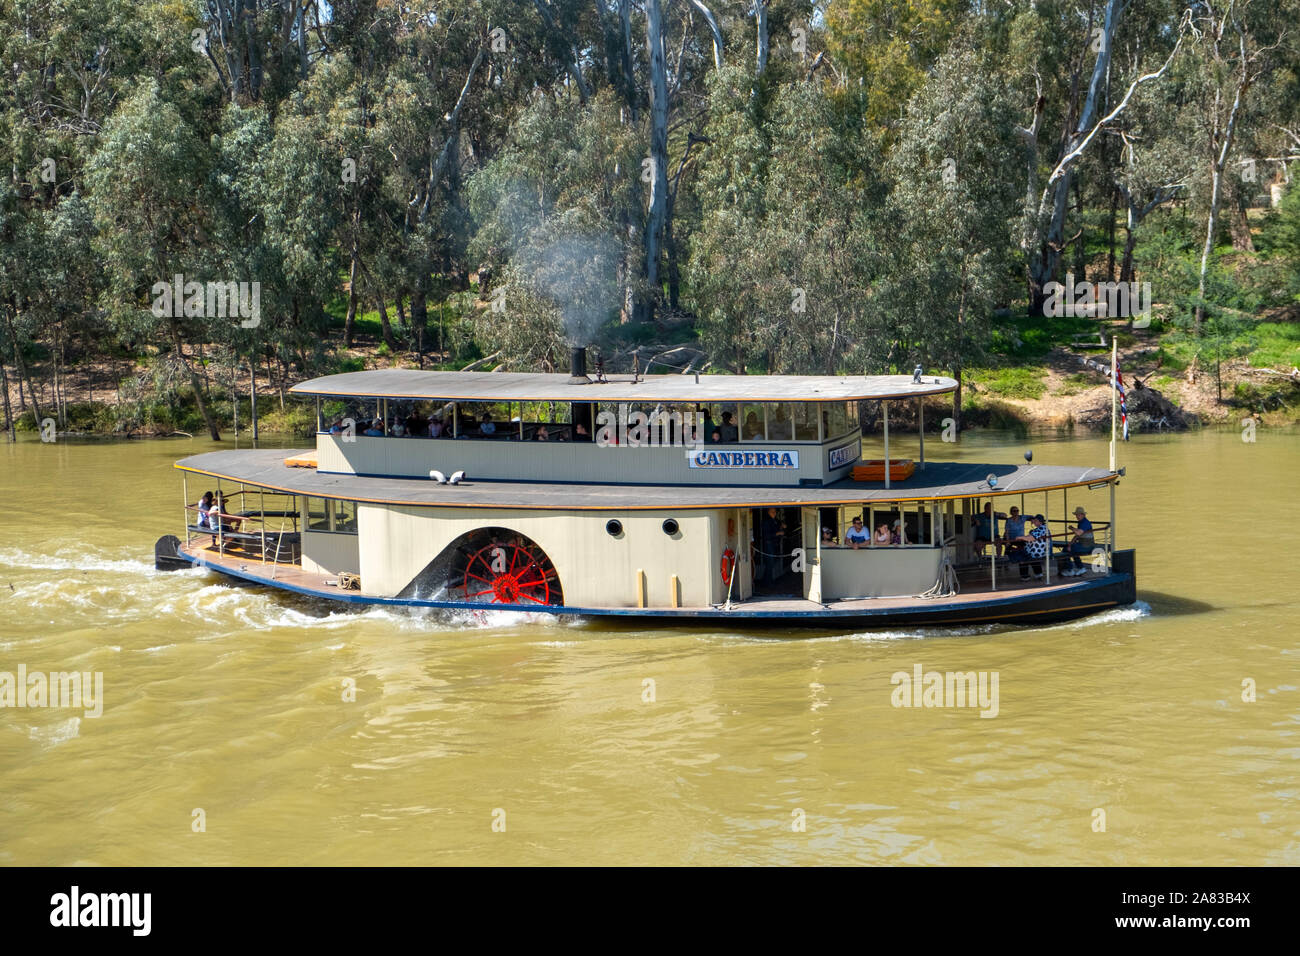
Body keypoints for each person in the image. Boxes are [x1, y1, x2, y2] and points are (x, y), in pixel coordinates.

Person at [1011, 514, 1049, 581]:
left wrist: (1020, 537)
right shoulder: (1042, 528)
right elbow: (1030, 536)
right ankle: (1038, 573)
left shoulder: (1041, 529)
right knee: (1021, 549)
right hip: (1037, 550)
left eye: (1036, 521)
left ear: (1040, 522)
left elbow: (1031, 538)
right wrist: (1024, 538)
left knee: (1021, 557)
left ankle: (1025, 576)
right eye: (1034, 520)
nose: (1034, 522)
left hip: (1036, 551)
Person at [1062, 506, 1096, 576]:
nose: (1077, 516)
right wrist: (1070, 544)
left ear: (1083, 515)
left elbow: (1078, 532)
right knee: (1070, 548)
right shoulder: (1081, 522)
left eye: (1079, 514)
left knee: (1066, 550)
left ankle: (1070, 569)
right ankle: (1080, 567)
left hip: (1087, 546)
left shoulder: (1085, 523)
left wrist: (1071, 528)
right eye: (1076, 515)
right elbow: (1077, 536)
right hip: (1083, 544)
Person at [760, 507, 785, 582]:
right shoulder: (766, 521)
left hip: (774, 543)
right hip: (768, 544)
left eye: (775, 512)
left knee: (772, 563)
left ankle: (768, 580)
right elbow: (766, 535)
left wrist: (782, 525)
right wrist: (778, 533)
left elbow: (779, 524)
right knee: (769, 563)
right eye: (772, 512)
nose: (774, 513)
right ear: (768, 512)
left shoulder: (775, 520)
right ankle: (767, 581)